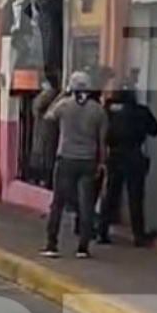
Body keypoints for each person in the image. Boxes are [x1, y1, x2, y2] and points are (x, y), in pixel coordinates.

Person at [41, 71, 107, 259]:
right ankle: (83, 247)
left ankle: (52, 244)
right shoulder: (98, 111)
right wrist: (101, 163)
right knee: (86, 205)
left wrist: (62, 94)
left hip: (66, 159)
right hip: (88, 161)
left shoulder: (64, 106)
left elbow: (47, 116)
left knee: (58, 203)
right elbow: (102, 141)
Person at [97, 85, 157, 246]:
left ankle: (102, 231)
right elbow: (154, 130)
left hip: (114, 154)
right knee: (135, 197)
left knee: (111, 195)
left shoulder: (108, 111)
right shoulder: (140, 111)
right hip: (134, 154)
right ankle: (139, 236)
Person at [28, 78, 60, 185]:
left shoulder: (49, 99)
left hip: (46, 135)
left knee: (43, 156)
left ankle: (42, 179)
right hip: (43, 135)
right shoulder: (49, 101)